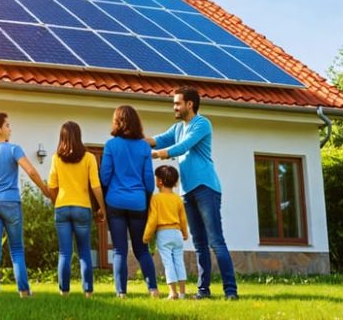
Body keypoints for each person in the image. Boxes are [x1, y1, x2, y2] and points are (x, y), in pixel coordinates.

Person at [148, 86, 239, 300]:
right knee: (199, 244)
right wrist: (131, 141)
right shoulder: (178, 127)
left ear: (190, 104)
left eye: (177, 103)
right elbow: (158, 139)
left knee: (216, 241)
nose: (175, 107)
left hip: (207, 188)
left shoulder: (202, 124)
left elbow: (182, 147)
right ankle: (203, 290)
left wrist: (155, 155)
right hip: (187, 192)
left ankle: (231, 291)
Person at [0, 111, 51, 298]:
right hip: (10, 202)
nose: (11, 129)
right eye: (8, 125)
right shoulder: (13, 149)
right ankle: (24, 291)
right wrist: (44, 190)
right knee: (16, 249)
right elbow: (32, 172)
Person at [100, 105, 159, 298]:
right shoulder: (144, 146)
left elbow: (105, 176)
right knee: (142, 248)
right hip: (138, 203)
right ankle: (153, 289)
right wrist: (146, 200)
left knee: (119, 250)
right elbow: (149, 180)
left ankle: (121, 293)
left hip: (115, 202)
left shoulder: (111, 145)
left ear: (117, 122)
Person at [47, 121, 107, 298]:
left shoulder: (56, 158)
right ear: (79, 136)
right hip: (82, 208)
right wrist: (102, 208)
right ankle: (88, 292)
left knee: (65, 252)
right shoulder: (89, 158)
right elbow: (95, 185)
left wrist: (56, 202)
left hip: (62, 207)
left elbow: (51, 185)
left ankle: (64, 292)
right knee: (84, 251)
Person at [143, 165, 188, 300]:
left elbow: (153, 219)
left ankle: (172, 293)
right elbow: (183, 218)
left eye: (156, 178)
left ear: (160, 181)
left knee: (168, 263)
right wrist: (185, 233)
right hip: (177, 233)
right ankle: (182, 293)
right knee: (179, 262)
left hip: (164, 233)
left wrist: (146, 236)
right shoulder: (177, 199)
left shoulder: (156, 199)